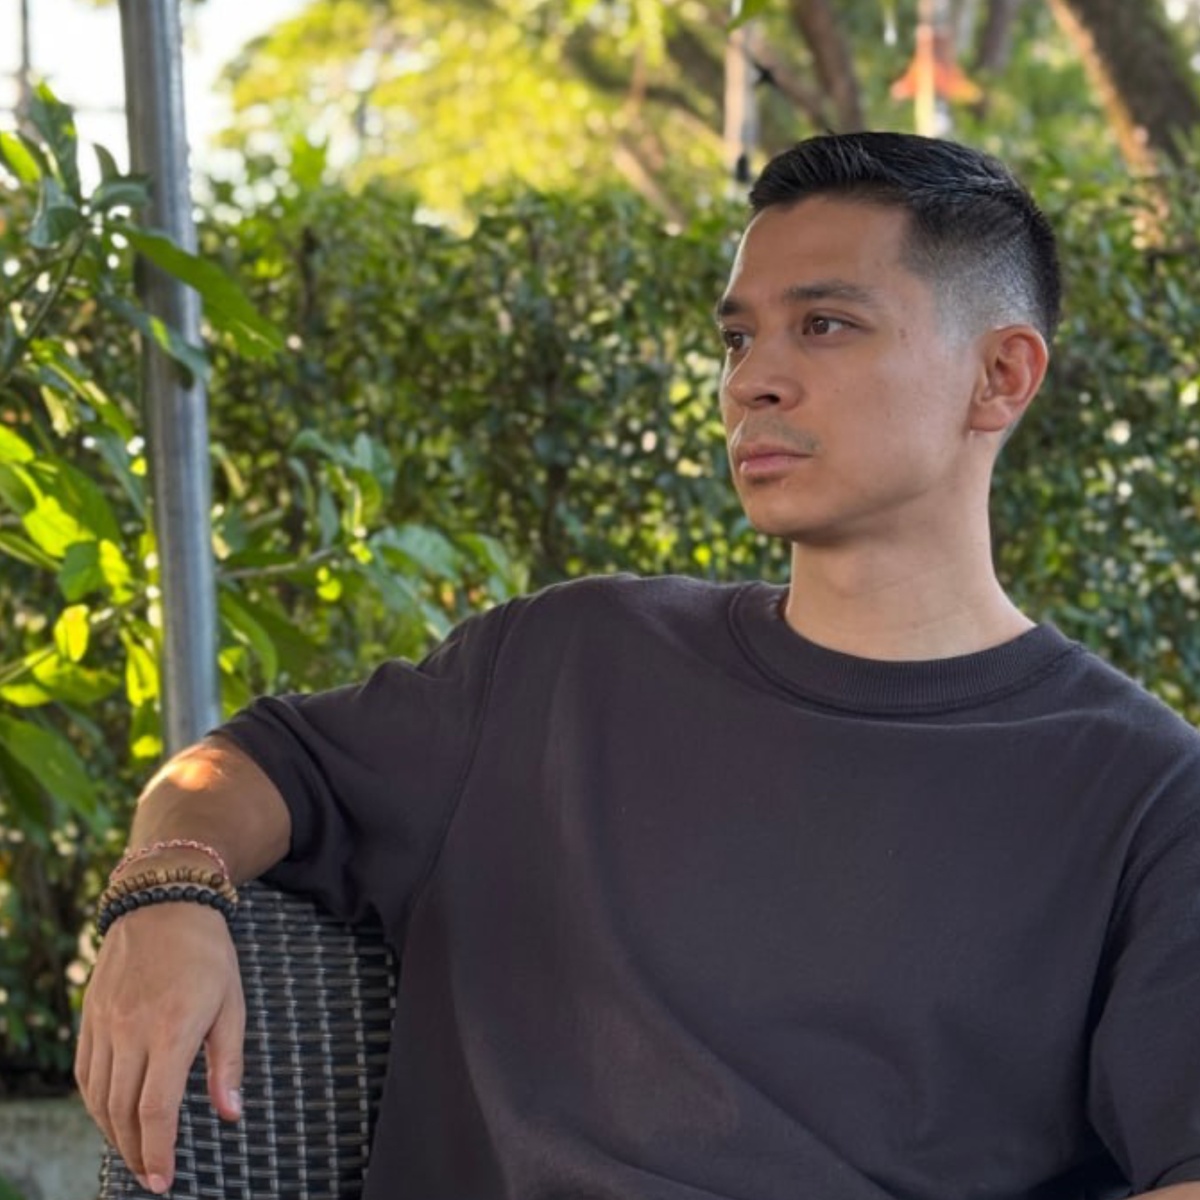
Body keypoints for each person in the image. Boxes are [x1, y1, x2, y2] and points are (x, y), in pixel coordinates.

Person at [76, 132, 1200, 1200]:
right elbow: (249, 768)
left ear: (1000, 375)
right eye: (738, 338)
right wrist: (168, 887)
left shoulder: (1143, 796)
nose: (752, 381)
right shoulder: (563, 667)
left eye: (825, 325)